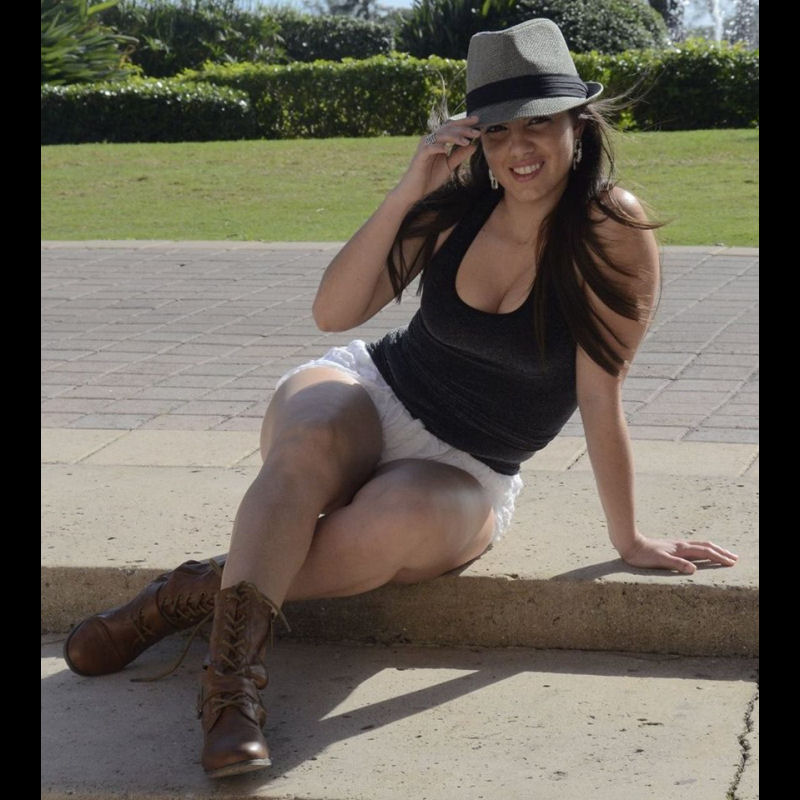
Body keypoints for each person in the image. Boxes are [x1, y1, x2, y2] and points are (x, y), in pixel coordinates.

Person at [61, 18, 739, 779]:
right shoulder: (455, 209)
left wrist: (629, 538)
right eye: (498, 130)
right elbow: (333, 312)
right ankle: (231, 694)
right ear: (477, 139)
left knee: (392, 522)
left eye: (539, 123)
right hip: (372, 391)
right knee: (309, 441)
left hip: (469, 468)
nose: (519, 149)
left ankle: (177, 597)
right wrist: (412, 185)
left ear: (577, 125)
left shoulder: (610, 229)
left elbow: (599, 393)